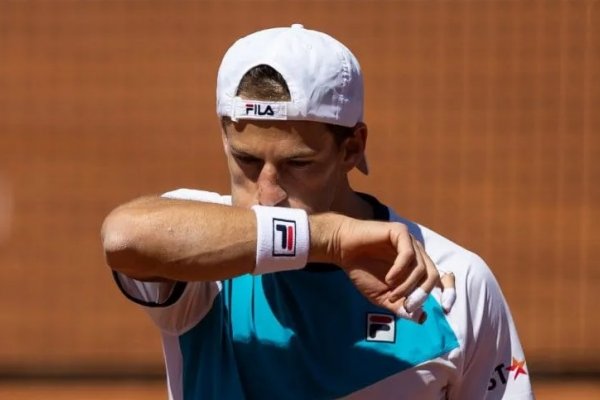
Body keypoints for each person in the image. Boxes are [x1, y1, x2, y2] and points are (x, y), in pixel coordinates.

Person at [101, 24, 533, 399]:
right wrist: (328, 239)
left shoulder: (450, 282)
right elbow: (124, 238)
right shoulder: (201, 256)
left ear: (353, 148)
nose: (267, 196)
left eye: (297, 164)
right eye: (246, 161)